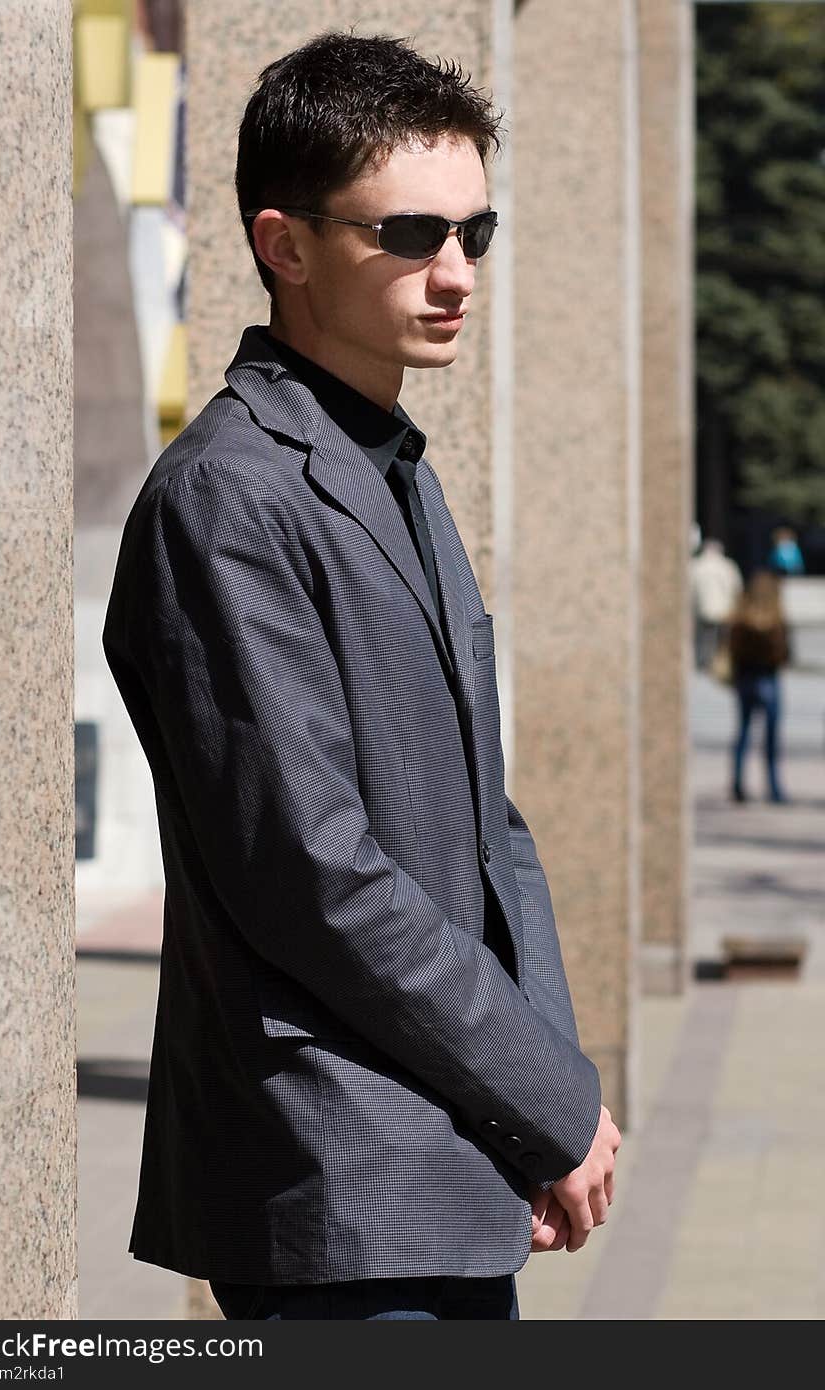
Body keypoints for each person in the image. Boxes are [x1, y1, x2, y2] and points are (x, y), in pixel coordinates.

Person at [102, 30, 620, 1321]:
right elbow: (315, 875)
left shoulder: (397, 470)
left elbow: (487, 823)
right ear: (283, 243)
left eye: (473, 233)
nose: (453, 273)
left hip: (451, 1157)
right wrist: (546, 1099)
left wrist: (546, 1097)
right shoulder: (227, 497)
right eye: (408, 236)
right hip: (336, 1180)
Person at [727, 569, 792, 803]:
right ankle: (774, 788)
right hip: (768, 677)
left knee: (743, 732)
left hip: (745, 677)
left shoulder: (740, 617)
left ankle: (737, 784)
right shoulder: (776, 619)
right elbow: (785, 653)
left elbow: (732, 649)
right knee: (771, 737)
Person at [690, 537, 743, 670]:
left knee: (704, 638)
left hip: (703, 609)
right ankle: (718, 663)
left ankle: (703, 662)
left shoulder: (696, 566)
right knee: (722, 639)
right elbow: (736, 587)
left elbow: (691, 589)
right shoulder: (727, 566)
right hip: (724, 609)